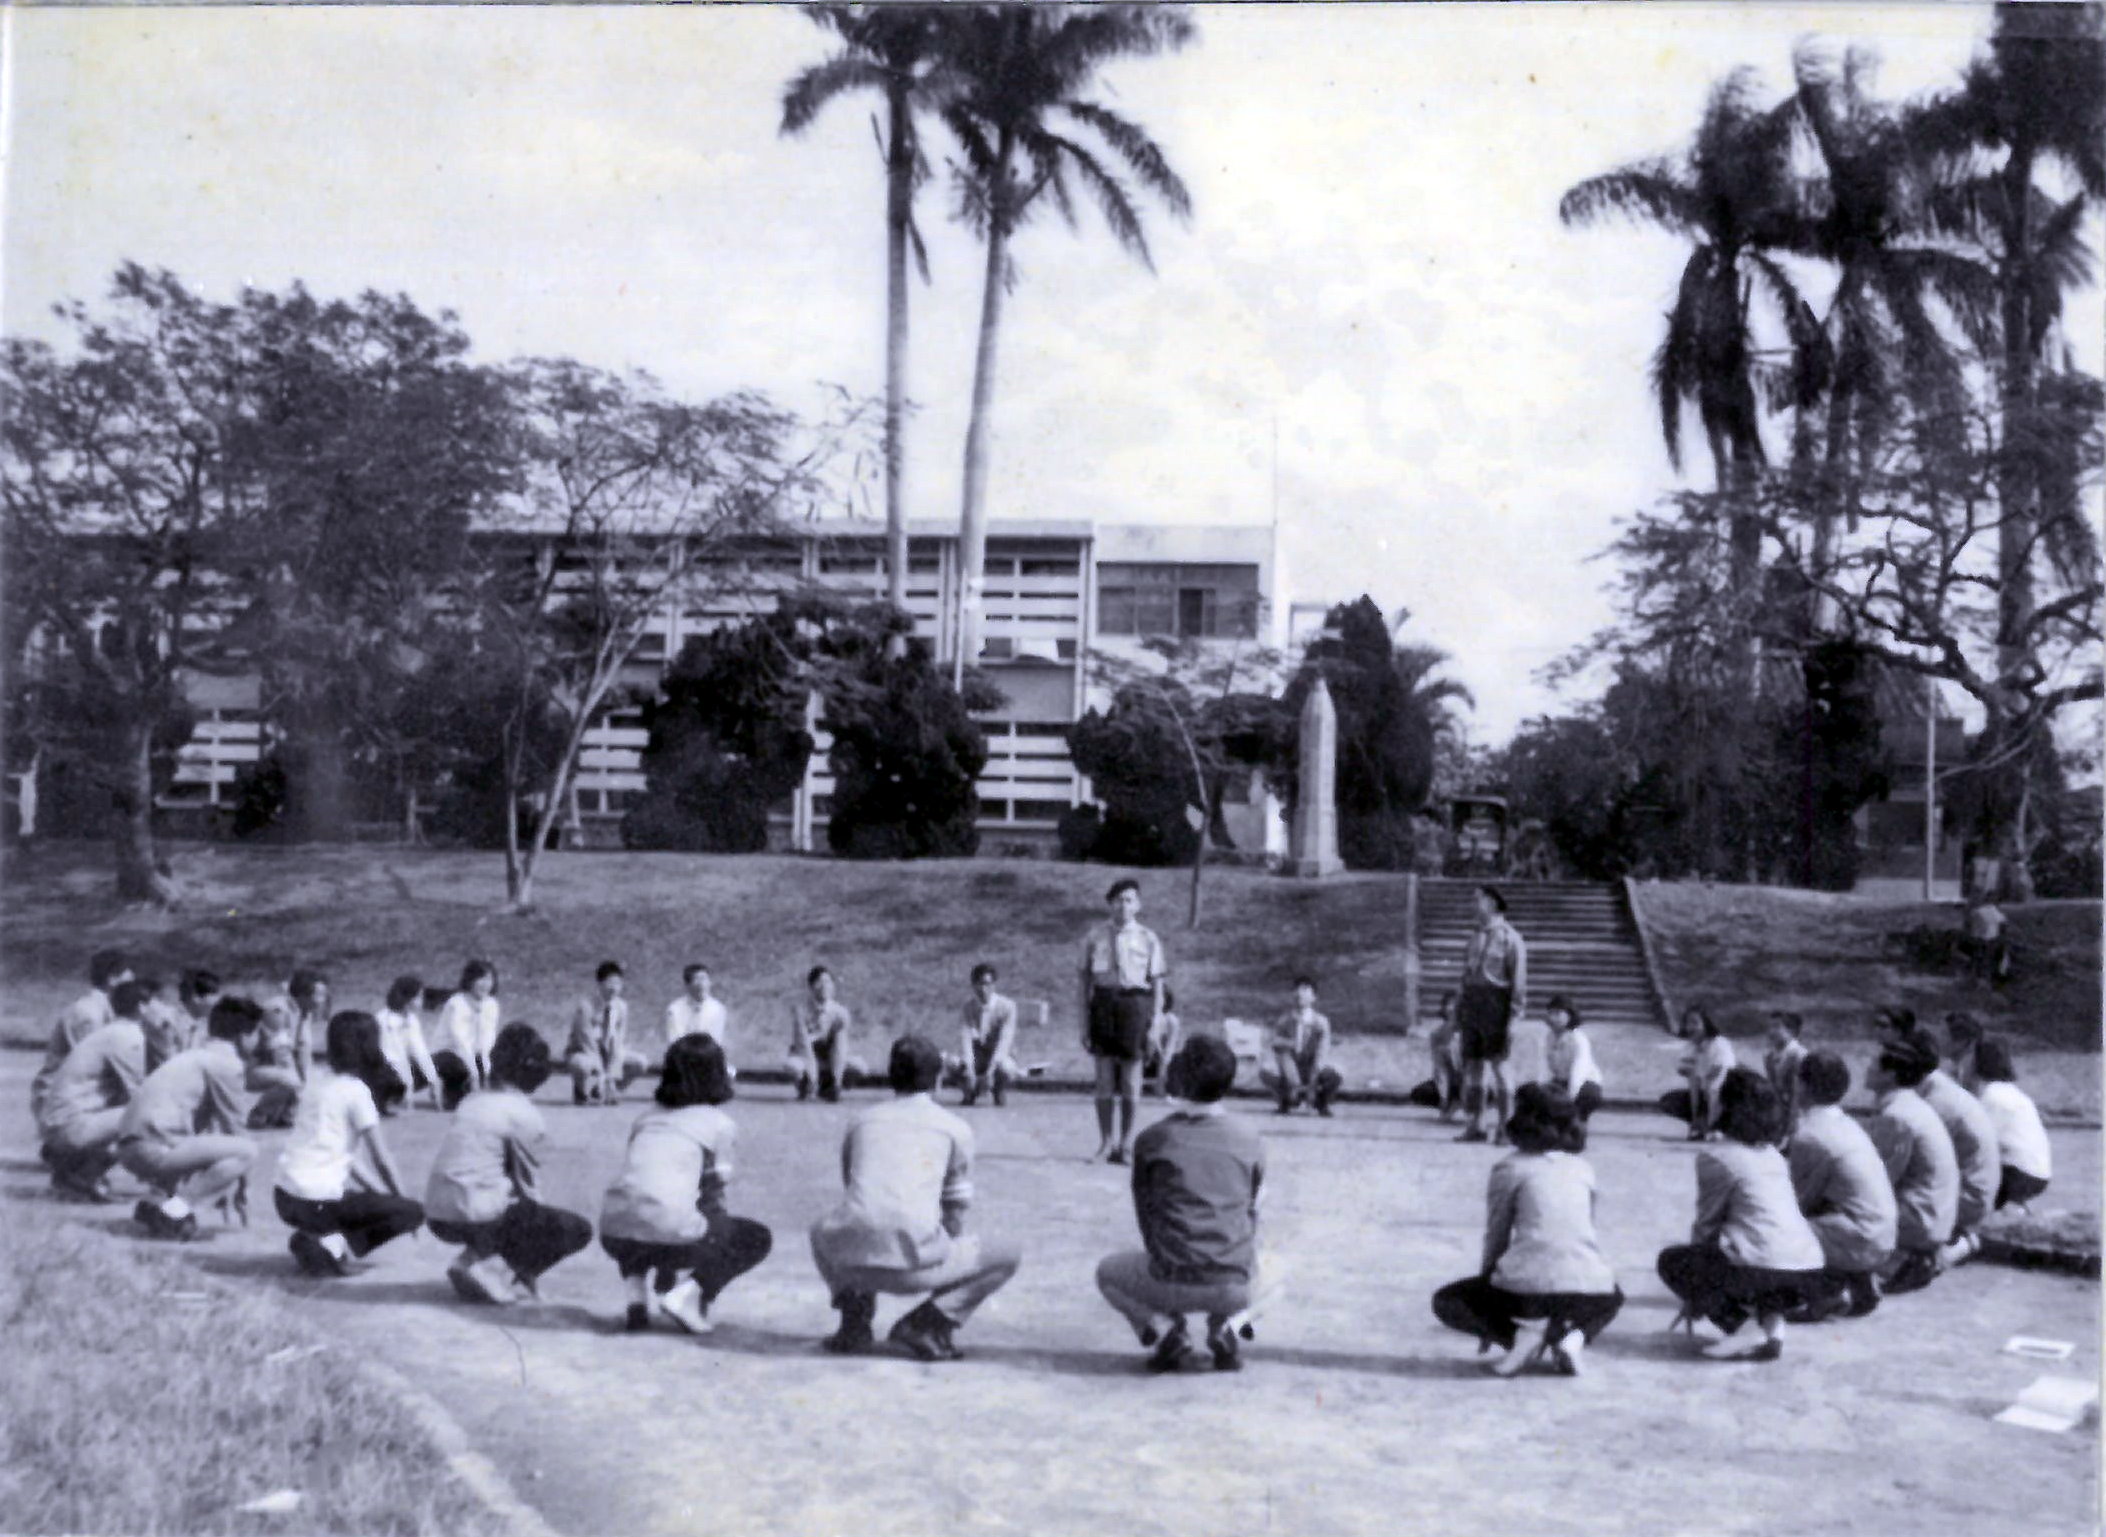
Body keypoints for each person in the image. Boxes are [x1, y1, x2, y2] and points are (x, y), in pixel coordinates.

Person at [810, 1034, 1022, 1361]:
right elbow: (954, 1214)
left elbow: (854, 1191)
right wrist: (942, 1263)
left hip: (850, 1262)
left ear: (891, 1075)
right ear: (938, 1079)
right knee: (1007, 1252)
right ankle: (929, 1322)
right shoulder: (954, 1127)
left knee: (821, 1228)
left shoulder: (861, 1120)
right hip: (914, 1267)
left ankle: (854, 1319)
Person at [1096, 1036, 1274, 1373]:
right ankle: (1229, 1327)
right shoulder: (1251, 1137)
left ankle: (1166, 1331)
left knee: (1107, 1273)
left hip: (1171, 1279)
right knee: (1279, 1271)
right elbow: (1252, 1212)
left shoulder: (1152, 1139)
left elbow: (1146, 1216)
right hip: (1234, 1282)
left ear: (1179, 1078)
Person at [1431, 1083, 1622, 1377]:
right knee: (1612, 1293)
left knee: (1449, 1300)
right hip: (1590, 1286)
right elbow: (1586, 1231)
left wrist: (1489, 1302)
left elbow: (1496, 1235)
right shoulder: (1583, 1168)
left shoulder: (1509, 1167)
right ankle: (1575, 1338)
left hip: (1527, 1290)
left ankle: (1524, 1337)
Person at [599, 1034, 773, 1334]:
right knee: (754, 1237)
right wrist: (704, 1274)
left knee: (637, 1204)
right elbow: (713, 1194)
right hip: (668, 1229)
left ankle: (635, 1294)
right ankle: (688, 1295)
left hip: (613, 1232)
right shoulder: (719, 1123)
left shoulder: (645, 1118)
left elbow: (645, 1184)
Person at [1656, 1070, 1826, 1362]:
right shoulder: (1773, 1155)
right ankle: (1774, 1330)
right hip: (1810, 1271)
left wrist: (1698, 1293)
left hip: (1766, 1269)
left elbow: (1707, 1229)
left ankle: (1742, 1328)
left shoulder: (1717, 1156)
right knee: (1762, 1256)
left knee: (1674, 1261)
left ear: (1726, 1108)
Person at [426, 1023, 593, 1305]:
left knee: (494, 1195)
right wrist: (533, 1256)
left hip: (437, 1213)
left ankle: (473, 1260)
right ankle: (489, 1269)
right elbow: (528, 1186)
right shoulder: (524, 1113)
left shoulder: (471, 1100)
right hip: (475, 1213)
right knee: (574, 1228)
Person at [272, 1011, 424, 1277]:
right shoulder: (356, 1091)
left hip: (285, 1197)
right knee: (412, 1212)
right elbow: (382, 1161)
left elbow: (345, 1156)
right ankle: (330, 1246)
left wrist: (381, 1196)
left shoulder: (315, 1083)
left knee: (367, 1201)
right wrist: (400, 1201)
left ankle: (313, 1238)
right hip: (316, 1201)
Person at [119, 995, 268, 1242]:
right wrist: (244, 1188)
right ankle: (174, 1211)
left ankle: (155, 1201)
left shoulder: (195, 1054)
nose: (260, 1041)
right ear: (243, 1034)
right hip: (152, 1149)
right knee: (247, 1151)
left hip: (129, 1146)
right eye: (257, 1034)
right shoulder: (227, 1064)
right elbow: (236, 1130)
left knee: (197, 1138)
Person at [1784, 1052, 1897, 1322]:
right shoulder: (1846, 1123)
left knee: (1774, 1225)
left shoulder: (1809, 1134)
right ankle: (1855, 1280)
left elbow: (1796, 1204)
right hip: (1882, 1234)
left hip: (1859, 1239)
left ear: (1802, 1085)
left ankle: (1824, 1290)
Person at [39, 980, 154, 1202]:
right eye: (152, 1002)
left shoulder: (112, 1031)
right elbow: (140, 1095)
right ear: (141, 1007)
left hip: (60, 1123)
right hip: (69, 1126)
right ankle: (83, 1177)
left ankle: (72, 1174)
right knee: (147, 1116)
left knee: (137, 1115)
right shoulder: (128, 1036)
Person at [1079, 878, 1168, 1163]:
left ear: (1138, 905)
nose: (1123, 905)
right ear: (1110, 903)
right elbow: (1083, 984)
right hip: (1104, 1004)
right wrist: (1084, 1023)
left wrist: (1155, 1025)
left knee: (1131, 1080)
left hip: (1135, 1006)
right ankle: (1106, 1142)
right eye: (1118, 899)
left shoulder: (1148, 938)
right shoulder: (1094, 937)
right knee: (1104, 1079)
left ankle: (1126, 1144)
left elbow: (1157, 987)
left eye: (1129, 900)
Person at [1864, 1035, 1960, 1296]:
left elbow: (1878, 1183)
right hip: (1934, 1213)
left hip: (1921, 1219)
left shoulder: (1897, 1115)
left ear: (1891, 1075)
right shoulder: (1908, 1105)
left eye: (1874, 1064)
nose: (1867, 1068)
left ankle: (1897, 1262)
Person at [1917, 1026, 2002, 1268]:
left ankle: (1943, 1253)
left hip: (1970, 1197)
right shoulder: (1940, 1088)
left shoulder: (1936, 1102)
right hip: (1978, 1189)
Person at [31, 948, 132, 1130]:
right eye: (127, 977)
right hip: (59, 1099)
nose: (132, 984)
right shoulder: (88, 1013)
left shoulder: (103, 1010)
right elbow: (96, 1065)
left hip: (74, 1094)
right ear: (112, 979)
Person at [1455, 885, 1526, 1145]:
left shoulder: (1511, 939)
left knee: (1499, 1066)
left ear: (1493, 904)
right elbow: (1465, 976)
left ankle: (1506, 1128)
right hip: (1473, 1004)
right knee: (1473, 1067)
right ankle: (1476, 1124)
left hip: (1497, 1006)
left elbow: (1518, 984)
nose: (1473, 905)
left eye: (1478, 900)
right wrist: (1459, 1009)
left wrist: (1514, 1019)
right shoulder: (1474, 937)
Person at [1968, 1038, 2052, 1212]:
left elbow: (1976, 1142)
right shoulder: (2010, 1092)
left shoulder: (1992, 1097)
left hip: (2021, 1176)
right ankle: (2012, 1206)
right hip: (2037, 1172)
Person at [249, 969, 329, 1130]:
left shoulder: (305, 1012)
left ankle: (286, 1116)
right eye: (318, 995)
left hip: (278, 1068)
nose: (322, 1000)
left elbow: (304, 1050)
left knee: (316, 1080)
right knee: (291, 1080)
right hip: (255, 1068)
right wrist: (300, 1084)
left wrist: (308, 1079)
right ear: (302, 995)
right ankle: (258, 1115)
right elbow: (280, 1052)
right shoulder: (277, 1010)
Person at [567, 961, 648, 1106]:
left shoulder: (622, 1007)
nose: (614, 988)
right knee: (582, 1065)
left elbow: (619, 1040)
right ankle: (580, 1090)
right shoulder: (585, 1006)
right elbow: (587, 1041)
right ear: (599, 984)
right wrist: (601, 1074)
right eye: (610, 983)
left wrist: (612, 1075)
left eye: (618, 983)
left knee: (640, 1062)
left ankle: (610, 1090)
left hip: (608, 1054)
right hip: (584, 1052)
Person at [1261, 976, 1341, 1117]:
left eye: (1305, 991)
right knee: (1265, 1070)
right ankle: (1286, 1100)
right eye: (1297, 991)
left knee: (1337, 1072)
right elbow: (1275, 1043)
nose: (1300, 994)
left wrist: (1312, 1083)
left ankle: (1321, 1101)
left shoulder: (1321, 1022)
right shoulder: (1285, 1020)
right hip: (1291, 1067)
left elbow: (1322, 1052)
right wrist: (1290, 1043)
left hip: (1312, 1065)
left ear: (1314, 997)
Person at [1657, 1006, 1735, 1141]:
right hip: (1703, 1087)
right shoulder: (1691, 1046)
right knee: (1683, 1093)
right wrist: (1693, 1069)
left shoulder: (1719, 1044)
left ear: (1706, 1024)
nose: (1691, 1027)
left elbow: (1719, 1070)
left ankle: (1715, 1126)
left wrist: (1703, 1080)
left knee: (1711, 1090)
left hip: (1726, 1086)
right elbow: (1683, 1069)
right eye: (1688, 1023)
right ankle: (1697, 1125)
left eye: (1695, 1023)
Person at [433, 959, 501, 1108]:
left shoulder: (491, 1005)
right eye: (480, 979)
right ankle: (448, 1091)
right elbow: (460, 1040)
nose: (485, 984)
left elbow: (488, 1038)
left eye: (489, 979)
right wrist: (473, 1070)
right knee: (459, 1070)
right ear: (469, 980)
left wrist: (486, 1068)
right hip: (449, 1053)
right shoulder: (456, 1003)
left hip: (475, 1054)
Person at [788, 964, 858, 1104]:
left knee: (859, 1067)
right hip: (807, 1054)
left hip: (831, 1056)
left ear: (833, 986)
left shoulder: (840, 1012)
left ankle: (834, 1084)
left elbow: (842, 1045)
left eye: (828, 982)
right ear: (811, 987)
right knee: (792, 1066)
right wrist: (812, 1075)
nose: (824, 986)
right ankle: (809, 1084)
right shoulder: (801, 1011)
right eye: (819, 982)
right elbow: (802, 1042)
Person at [375, 975, 445, 1115]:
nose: (421, 1001)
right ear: (407, 999)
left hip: (400, 1069)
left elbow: (420, 1051)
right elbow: (391, 1055)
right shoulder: (383, 1019)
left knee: (437, 1067)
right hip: (383, 1069)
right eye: (418, 997)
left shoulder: (412, 1020)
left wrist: (433, 1080)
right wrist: (408, 1086)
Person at [958, 962, 1020, 1108]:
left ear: (994, 985)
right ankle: (970, 1091)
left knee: (1005, 1067)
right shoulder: (968, 1008)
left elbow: (1005, 1040)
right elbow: (965, 1038)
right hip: (978, 1055)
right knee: (955, 1065)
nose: (983, 989)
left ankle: (999, 1090)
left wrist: (991, 1070)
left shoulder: (1008, 1007)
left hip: (999, 1057)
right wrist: (969, 1068)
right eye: (978, 984)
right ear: (973, 986)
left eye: (987, 984)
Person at [1542, 996, 1604, 1123]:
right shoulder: (1549, 1038)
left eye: (1558, 1014)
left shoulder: (1578, 1039)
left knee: (1575, 1113)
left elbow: (1578, 1071)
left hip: (1584, 1084)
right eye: (1551, 1013)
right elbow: (1544, 1067)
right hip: (1560, 1082)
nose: (1553, 1018)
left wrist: (1568, 1098)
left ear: (1569, 1016)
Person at [1409, 991, 1467, 1121]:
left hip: (1469, 1081)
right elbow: (1440, 1069)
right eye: (1448, 1005)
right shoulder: (1437, 1034)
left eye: (1455, 1006)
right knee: (1421, 1092)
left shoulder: (1470, 1034)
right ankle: (1448, 1104)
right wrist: (1443, 1096)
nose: (1451, 1009)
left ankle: (1469, 1109)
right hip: (1450, 1080)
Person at [1762, 1012, 1808, 1141]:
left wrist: (1791, 1126)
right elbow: (1774, 1090)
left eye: (1777, 1027)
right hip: (1781, 1114)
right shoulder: (1769, 1057)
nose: (1771, 1032)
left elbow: (1797, 1094)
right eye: (1769, 1027)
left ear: (1791, 1030)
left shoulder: (1799, 1055)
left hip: (1799, 1115)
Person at [664, 963, 728, 1049]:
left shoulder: (718, 1009)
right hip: (682, 1056)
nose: (701, 984)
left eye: (704, 979)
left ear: (710, 983)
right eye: (697, 979)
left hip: (709, 1057)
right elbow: (674, 1041)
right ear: (687, 985)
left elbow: (715, 1041)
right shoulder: (674, 1009)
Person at [1142, 986, 1184, 1101]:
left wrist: (1161, 1056)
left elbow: (1169, 1049)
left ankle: (1163, 1086)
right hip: (1146, 1058)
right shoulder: (1144, 1018)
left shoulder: (1171, 1020)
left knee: (1170, 1061)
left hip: (1165, 1060)